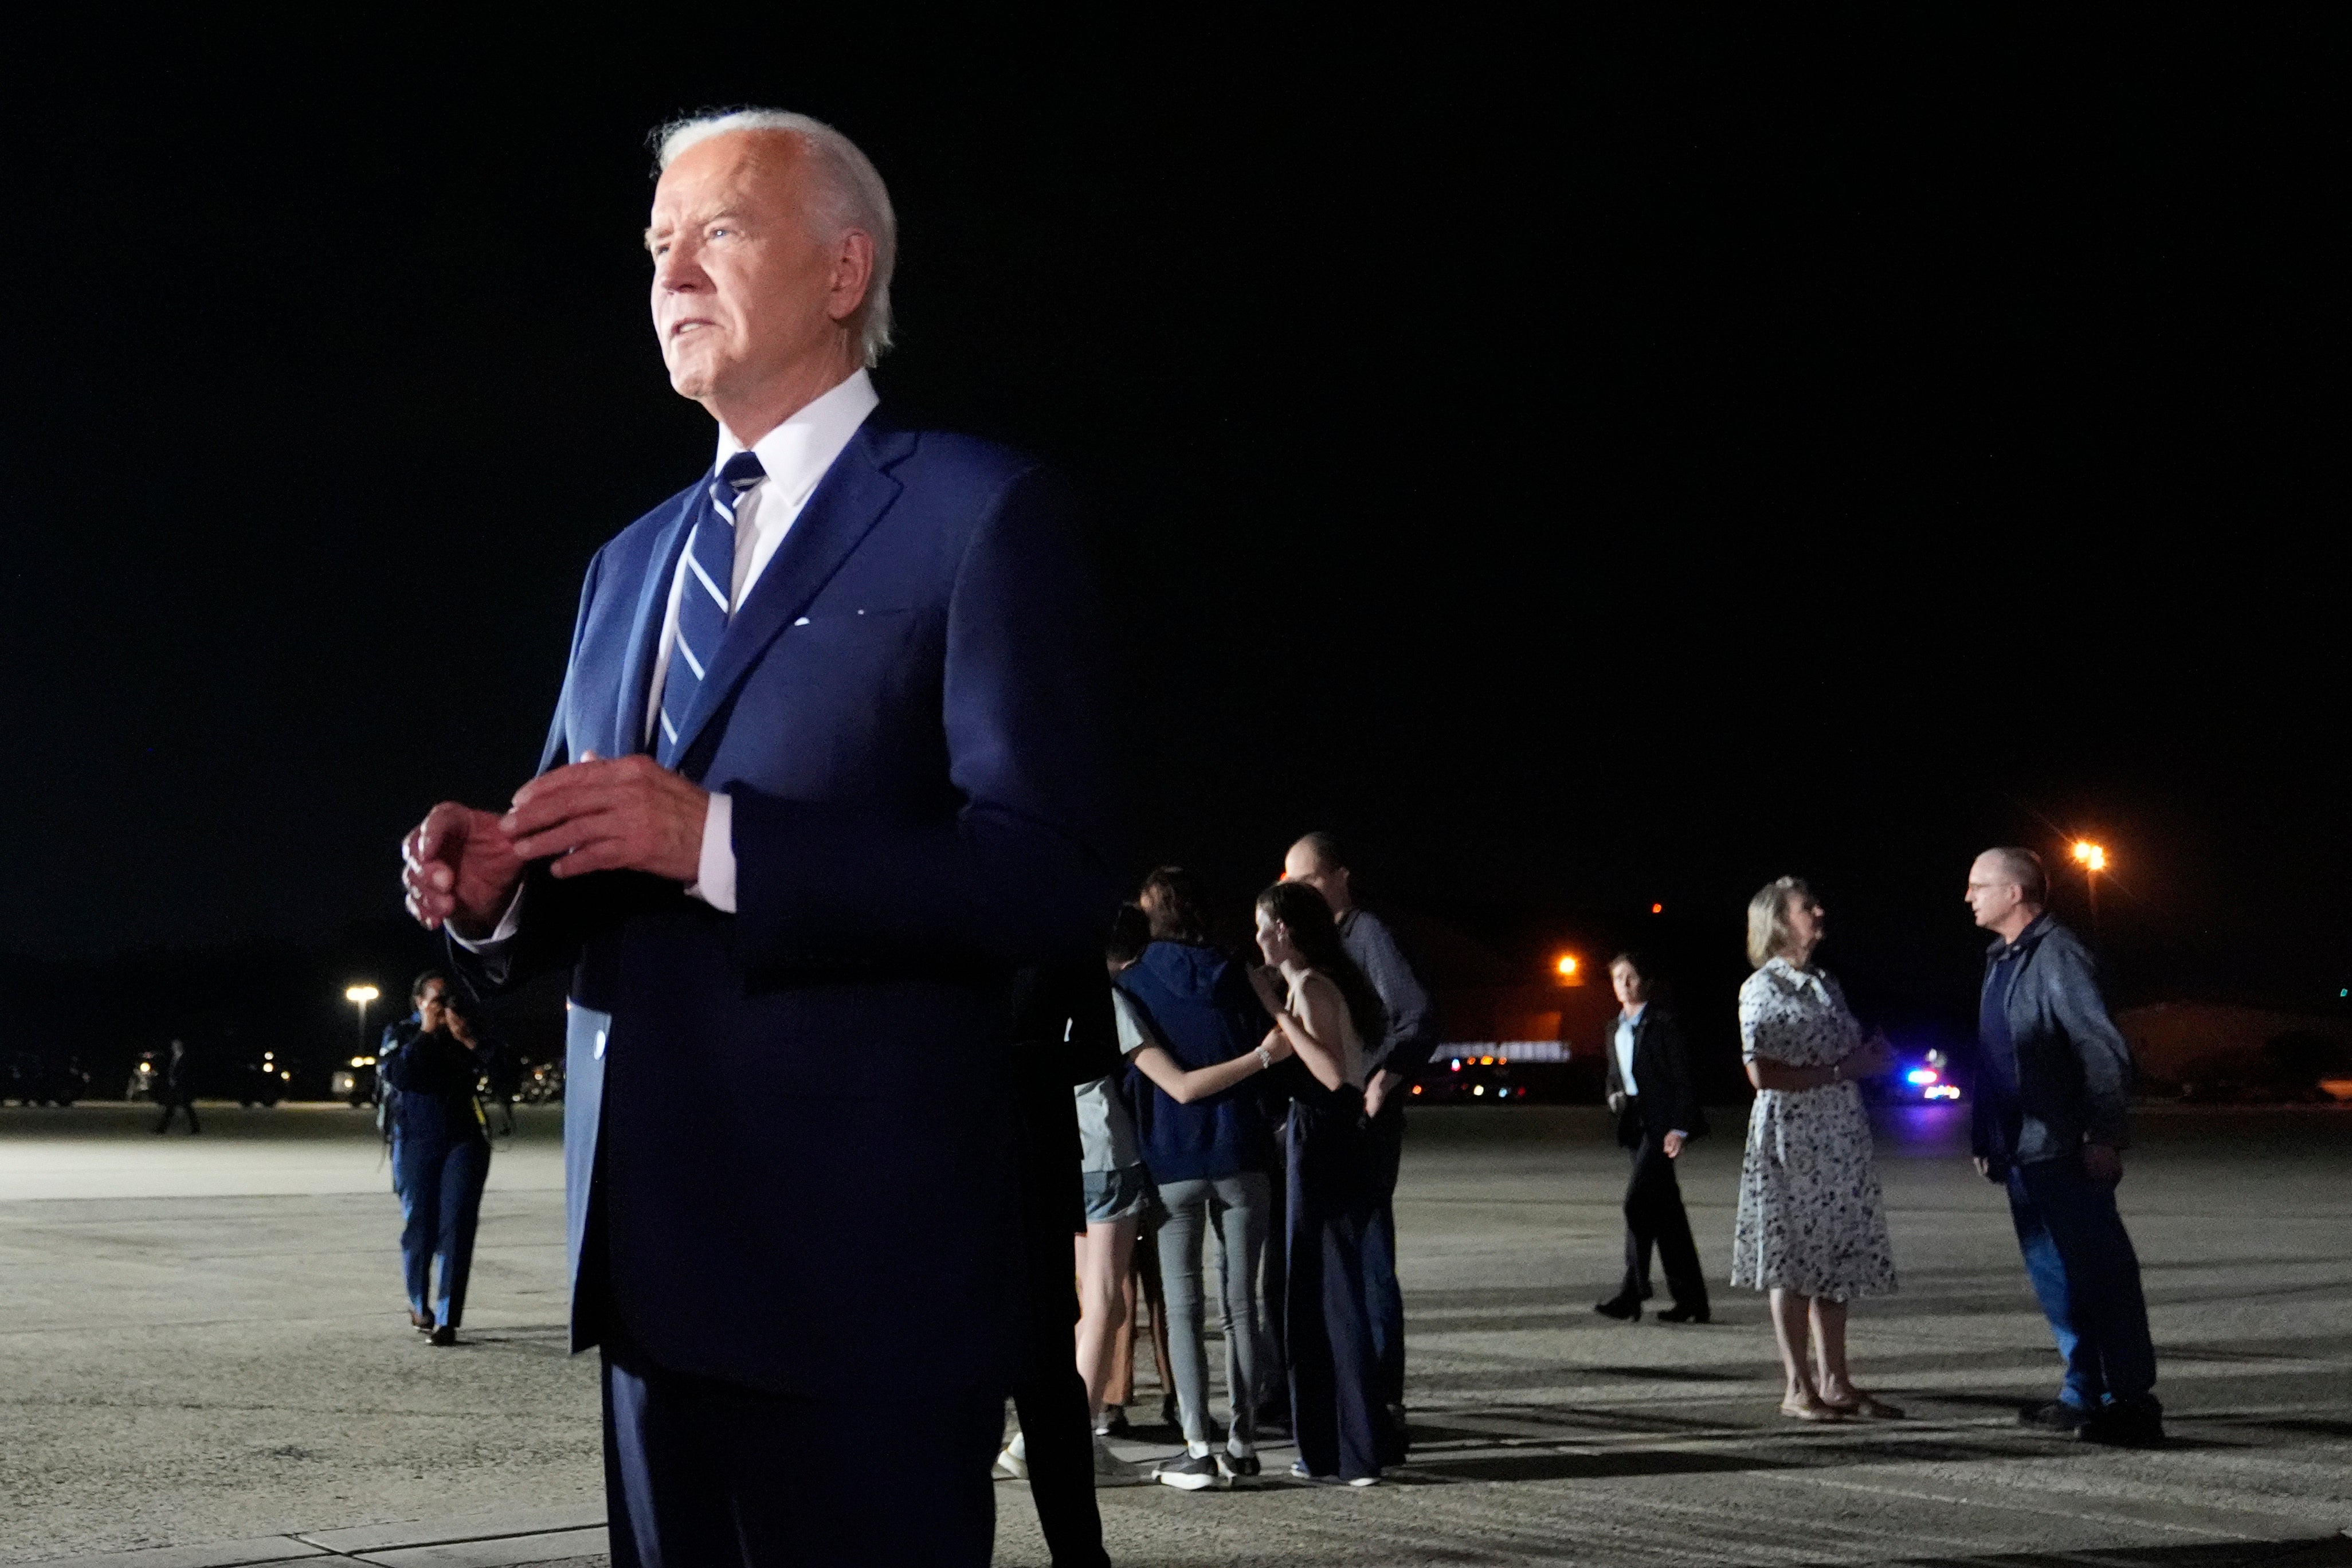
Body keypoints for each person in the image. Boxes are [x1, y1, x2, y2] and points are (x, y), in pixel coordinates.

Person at [399, 108, 1112, 1567]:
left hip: (863, 1285)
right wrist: (492, 895)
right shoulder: (628, 561)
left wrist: (723, 840)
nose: (671, 271)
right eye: (657, 245)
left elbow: (1043, 876)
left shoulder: (982, 514)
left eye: (717, 230)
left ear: (845, 269)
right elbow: (584, 867)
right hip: (654, 1279)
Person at [1965, 848, 2162, 1445]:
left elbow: (2099, 1048)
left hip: (2062, 1148)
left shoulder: (2058, 955)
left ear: (2017, 893)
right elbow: (1996, 1056)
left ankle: (2129, 1402)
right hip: (2024, 1149)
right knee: (2058, 1280)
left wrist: (2102, 1135)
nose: (1968, 896)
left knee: (2101, 1275)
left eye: (1979, 885)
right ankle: (2083, 1394)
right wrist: (1986, 1134)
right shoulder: (2004, 959)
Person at [1116, 869, 1284, 1491]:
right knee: (1242, 1303)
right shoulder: (1239, 974)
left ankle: (1196, 1443)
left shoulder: (1131, 983)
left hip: (1171, 1160)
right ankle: (1242, 1442)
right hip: (1243, 1153)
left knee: (1182, 1309)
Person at [1730, 876, 1902, 1422]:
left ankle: (1837, 1381)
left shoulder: (1826, 983)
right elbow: (1759, 1072)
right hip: (1794, 1135)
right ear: (1779, 921)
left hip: (1838, 1133)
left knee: (1835, 1260)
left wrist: (1869, 1057)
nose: (1820, 912)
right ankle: (1797, 1386)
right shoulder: (1763, 987)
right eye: (1808, 907)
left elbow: (1842, 1054)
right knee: (1795, 1260)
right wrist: (1839, 1070)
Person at [1281, 832, 1436, 1429]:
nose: (1301, 894)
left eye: (1309, 882)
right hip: (1333, 1117)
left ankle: (1383, 1398)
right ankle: (1350, 1391)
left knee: (1369, 1253)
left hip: (1366, 1117)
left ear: (1340, 878)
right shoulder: (1325, 946)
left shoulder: (1367, 936)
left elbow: (1417, 1014)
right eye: (1293, 885)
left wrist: (1386, 1077)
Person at [1251, 880, 1400, 1485]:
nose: (1257, 938)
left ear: (1285, 931)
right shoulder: (1332, 982)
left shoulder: (1310, 985)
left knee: (1319, 1295)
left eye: (1263, 926)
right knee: (1330, 1291)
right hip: (1346, 1139)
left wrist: (1277, 1011)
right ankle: (1344, 1444)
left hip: (1323, 1135)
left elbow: (1333, 1072)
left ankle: (1343, 1450)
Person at [993, 962, 1124, 1567]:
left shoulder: (1058, 924)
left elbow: (1099, 1048)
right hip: (944, 1162)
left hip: (1035, 1168)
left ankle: (1079, 1554)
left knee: (1047, 1376)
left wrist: (1007, 1062)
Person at [1595, 951, 1710, 1324]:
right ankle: (1692, 1301)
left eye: (1631, 977)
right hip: (1634, 1125)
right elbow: (1615, 1074)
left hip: (1661, 1128)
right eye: (1617, 979)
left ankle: (1634, 1290)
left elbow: (1684, 1081)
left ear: (1646, 982)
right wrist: (1613, 1093)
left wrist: (1680, 1129)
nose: (1624, 985)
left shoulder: (1664, 1025)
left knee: (1636, 1203)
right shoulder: (1614, 1029)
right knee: (1666, 1215)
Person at [381, 986, 492, 1346]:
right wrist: (426, 1033)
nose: (446, 1007)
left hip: (464, 1140)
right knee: (419, 1226)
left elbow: (505, 1072)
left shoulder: (466, 1033)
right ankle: (419, 1305)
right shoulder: (401, 1034)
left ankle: (447, 1319)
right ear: (419, 1003)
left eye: (451, 1000)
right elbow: (398, 1074)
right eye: (437, 1000)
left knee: (457, 1227)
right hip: (414, 1140)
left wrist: (470, 1040)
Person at [150, 1038, 200, 1135]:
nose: (172, 1047)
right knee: (172, 1109)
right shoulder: (174, 1057)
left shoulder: (185, 1058)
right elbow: (171, 1071)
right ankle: (161, 1129)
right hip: (176, 1088)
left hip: (182, 1088)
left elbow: (186, 1073)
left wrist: (176, 1080)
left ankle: (196, 1129)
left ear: (179, 1047)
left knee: (185, 1108)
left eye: (174, 1045)